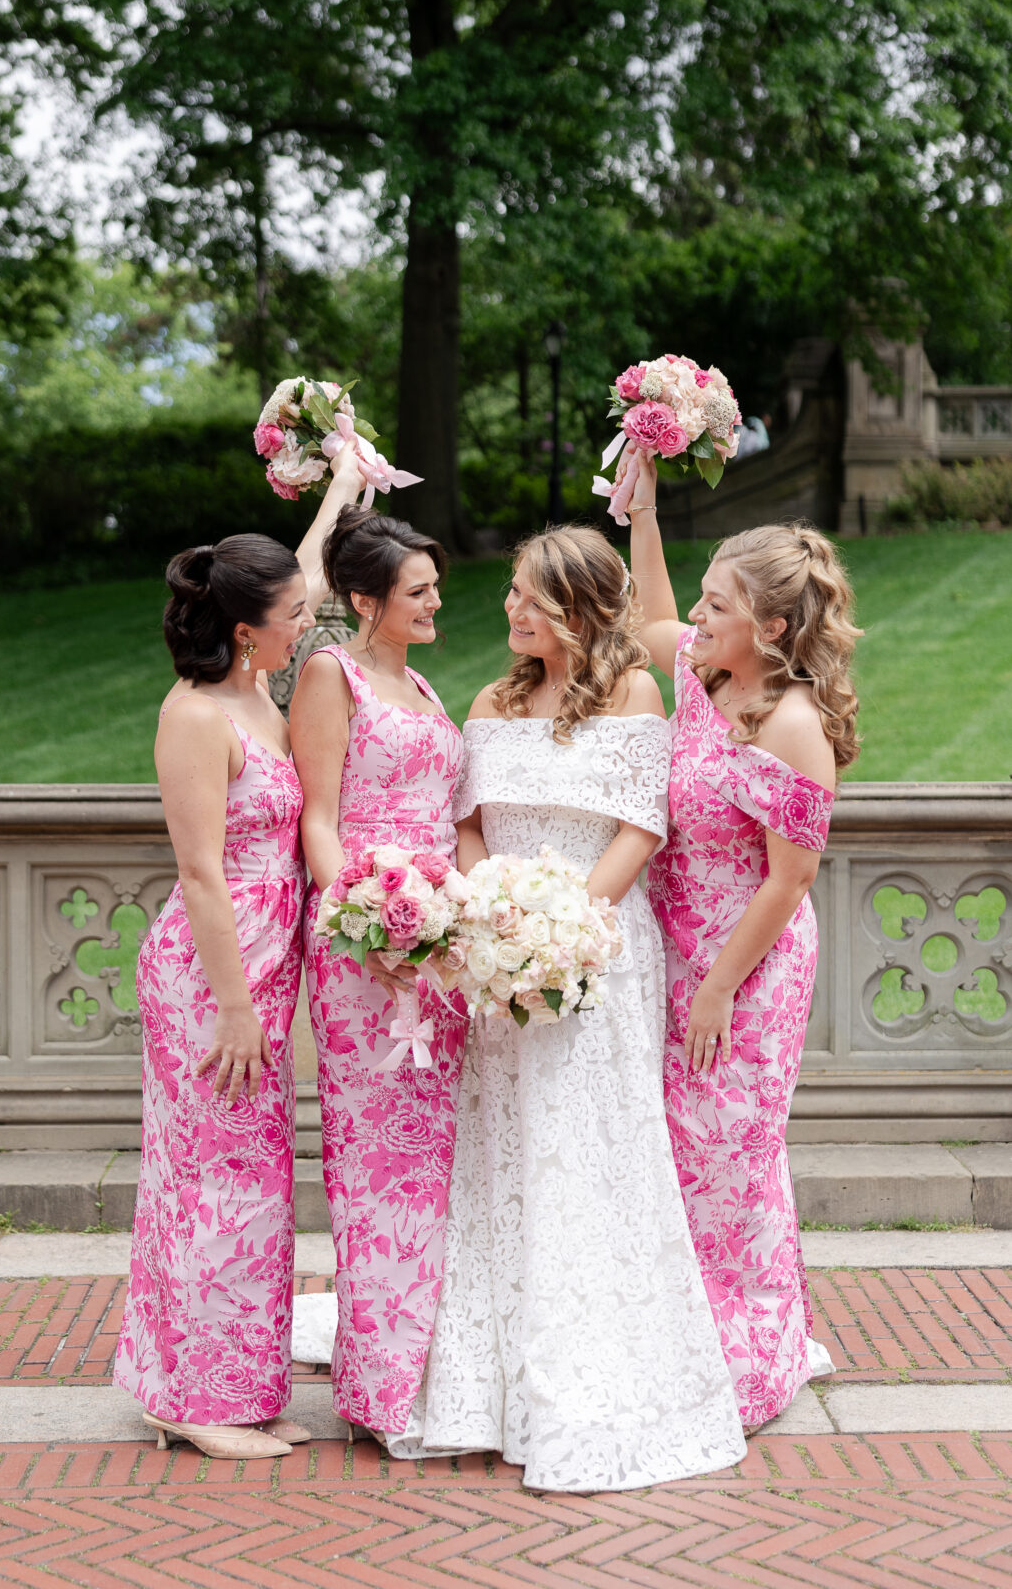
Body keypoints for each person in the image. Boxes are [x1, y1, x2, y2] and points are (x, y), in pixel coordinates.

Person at [387, 525, 746, 1492]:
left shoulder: (632, 693)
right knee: (503, 1150)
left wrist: (564, 933)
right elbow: (465, 820)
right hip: (499, 965)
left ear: (579, 610)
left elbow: (640, 825)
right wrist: (495, 920)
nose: (509, 610)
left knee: (590, 1149)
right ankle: (483, 1384)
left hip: (598, 961)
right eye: (510, 592)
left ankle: (596, 1373)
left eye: (528, 599)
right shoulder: (491, 698)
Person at [115, 450, 364, 1461]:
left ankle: (235, 1381)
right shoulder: (194, 714)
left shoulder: (268, 682)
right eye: (294, 613)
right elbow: (202, 874)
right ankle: (187, 1396)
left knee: (255, 1180)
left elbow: (294, 565)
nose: (309, 622)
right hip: (212, 975)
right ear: (242, 625)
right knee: (205, 1179)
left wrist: (342, 487)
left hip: (268, 967)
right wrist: (233, 1006)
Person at [627, 454, 861, 1430]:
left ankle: (753, 1358)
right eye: (705, 598)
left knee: (732, 1152)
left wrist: (718, 988)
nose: (698, 617)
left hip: (746, 966)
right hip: (679, 952)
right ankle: (689, 1333)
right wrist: (639, 503)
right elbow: (646, 618)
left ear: (770, 627)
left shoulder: (790, 724)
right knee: (682, 1155)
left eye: (718, 605)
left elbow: (789, 877)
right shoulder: (701, 673)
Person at [290, 506, 468, 1443]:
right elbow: (318, 816)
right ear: (364, 599)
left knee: (439, 1163)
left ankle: (437, 1370)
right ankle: (380, 1389)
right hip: (366, 945)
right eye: (417, 589)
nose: (436, 597)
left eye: (435, 584)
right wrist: (359, 917)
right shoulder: (333, 674)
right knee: (377, 1165)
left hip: (438, 947)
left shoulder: (427, 688)